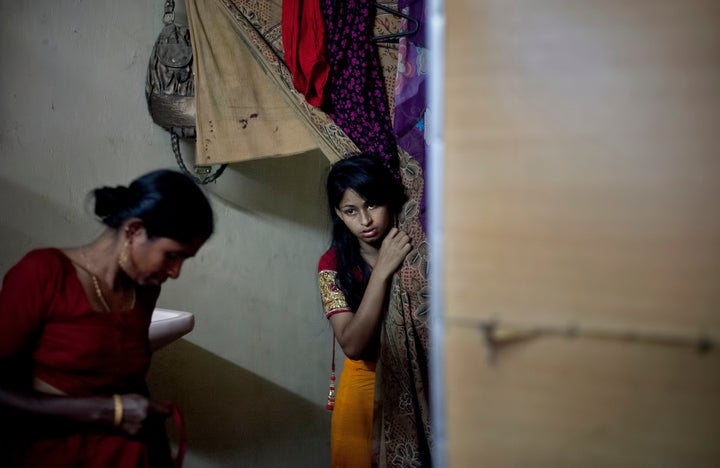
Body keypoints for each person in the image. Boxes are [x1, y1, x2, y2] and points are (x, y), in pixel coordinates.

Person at [0, 169, 214, 467]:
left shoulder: (143, 290)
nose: (175, 272)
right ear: (134, 231)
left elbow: (129, 380)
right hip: (56, 455)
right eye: (171, 255)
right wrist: (108, 411)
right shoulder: (42, 273)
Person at [317, 152, 410, 467]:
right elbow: (352, 344)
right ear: (338, 214)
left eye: (372, 204)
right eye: (351, 210)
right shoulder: (331, 265)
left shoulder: (414, 249)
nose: (366, 220)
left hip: (414, 382)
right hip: (362, 388)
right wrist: (382, 270)